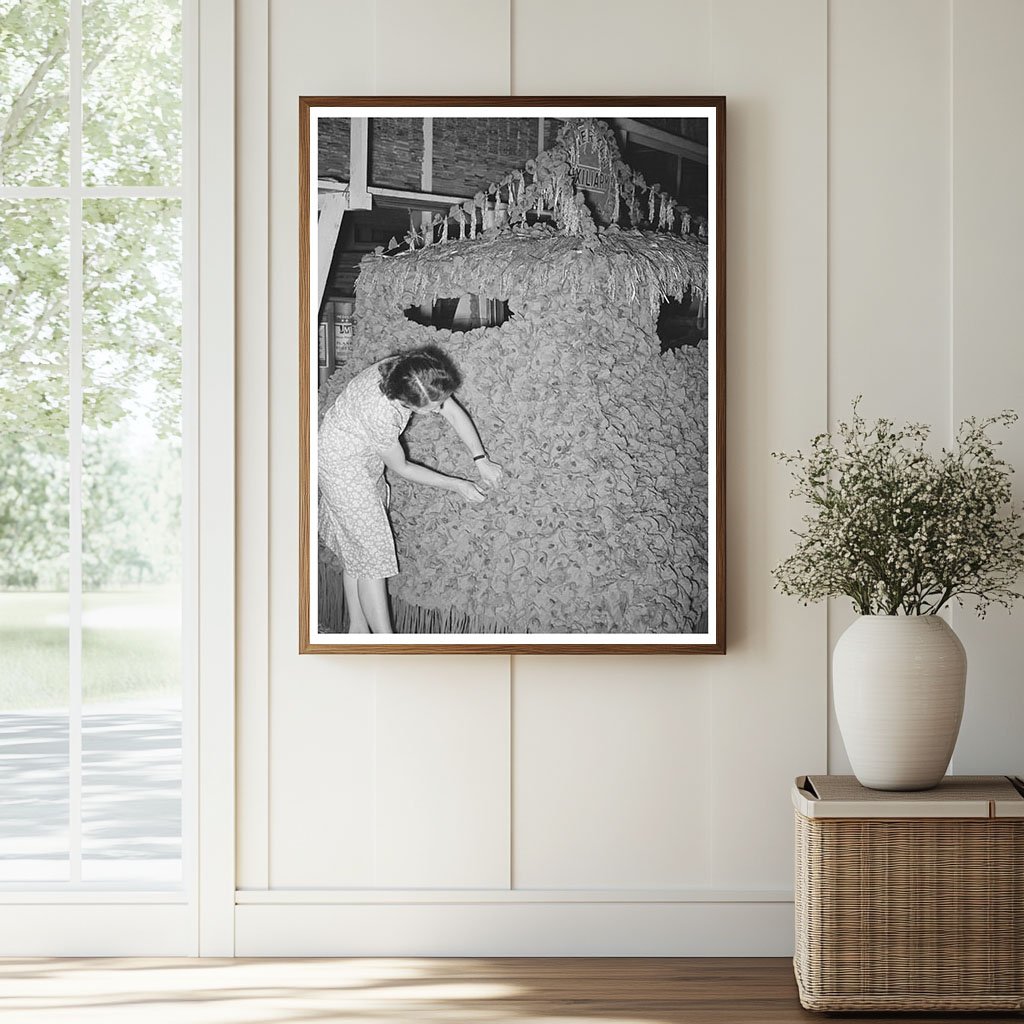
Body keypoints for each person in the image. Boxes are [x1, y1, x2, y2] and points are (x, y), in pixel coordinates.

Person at [319, 345, 503, 633]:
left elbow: (452, 412)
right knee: (372, 556)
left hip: (362, 454)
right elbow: (402, 467)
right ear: (404, 402)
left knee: (359, 547)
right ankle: (387, 644)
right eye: (430, 410)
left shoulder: (411, 373)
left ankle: (356, 630)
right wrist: (458, 484)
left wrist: (481, 459)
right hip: (340, 464)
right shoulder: (381, 412)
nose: (438, 411)